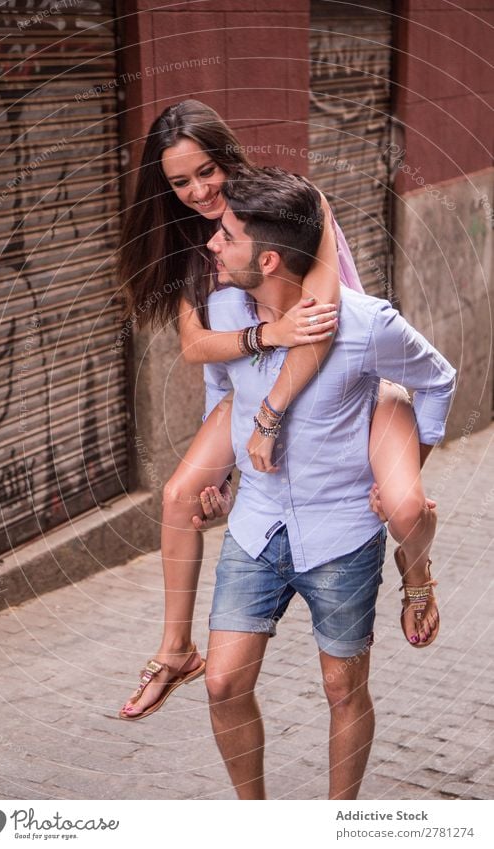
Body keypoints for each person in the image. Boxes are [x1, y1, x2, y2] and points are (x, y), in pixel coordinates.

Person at [117, 99, 437, 722]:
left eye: (207, 171)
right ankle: (177, 648)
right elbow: (199, 349)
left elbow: (316, 323)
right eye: (180, 182)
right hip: (251, 382)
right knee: (181, 496)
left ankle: (418, 570)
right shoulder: (192, 243)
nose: (199, 191)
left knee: (403, 504)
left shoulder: (293, 204)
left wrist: (267, 418)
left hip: (341, 378)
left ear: (227, 155)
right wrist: (231, 465)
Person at [202, 166, 456, 799]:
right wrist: (223, 474)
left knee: (343, 689)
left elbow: (439, 379)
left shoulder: (368, 325)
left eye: (226, 236)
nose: (211, 244)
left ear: (265, 259)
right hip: (257, 525)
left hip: (342, 532)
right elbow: (222, 389)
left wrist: (402, 466)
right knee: (222, 683)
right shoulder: (226, 309)